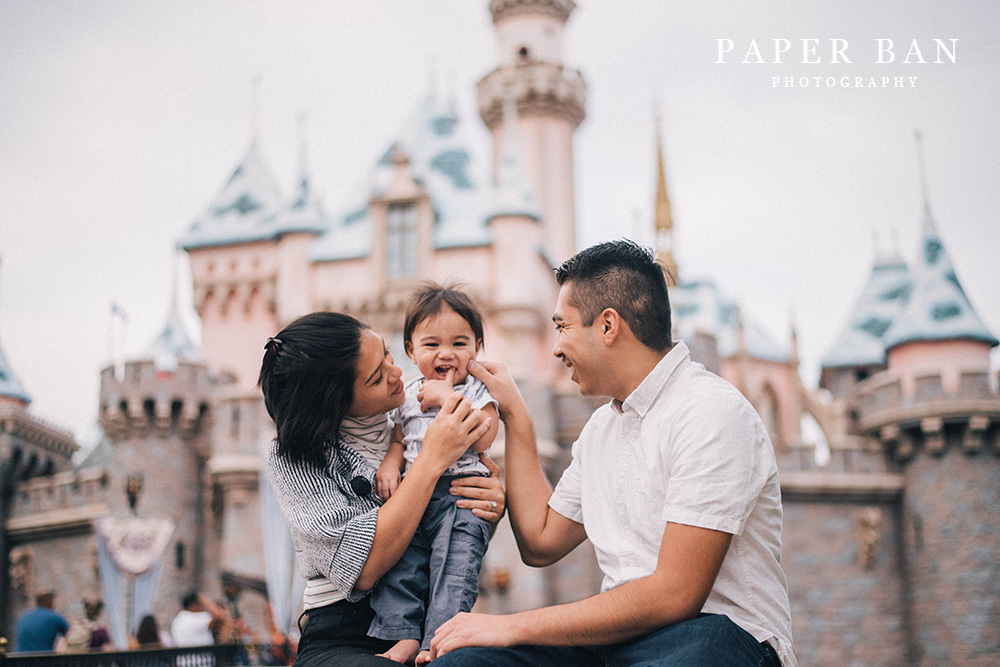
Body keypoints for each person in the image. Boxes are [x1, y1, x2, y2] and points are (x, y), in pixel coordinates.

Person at [430, 240, 796, 666]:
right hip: (616, 646)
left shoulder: (712, 413)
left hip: (719, 641)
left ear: (608, 326)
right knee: (465, 663)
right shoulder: (601, 429)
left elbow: (676, 594)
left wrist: (510, 624)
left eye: (562, 326)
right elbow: (541, 541)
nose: (555, 347)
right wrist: (515, 414)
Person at [258, 311, 506, 666]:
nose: (397, 373)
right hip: (344, 635)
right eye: (377, 377)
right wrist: (431, 459)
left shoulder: (414, 414)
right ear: (337, 404)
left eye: (389, 355)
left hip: (430, 619)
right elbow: (363, 566)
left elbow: (446, 521)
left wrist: (488, 507)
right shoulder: (295, 458)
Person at [369, 284, 500, 665]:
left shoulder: (476, 392)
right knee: (400, 568)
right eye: (431, 345)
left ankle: (438, 642)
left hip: (460, 500)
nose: (446, 353)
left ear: (476, 347)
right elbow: (399, 439)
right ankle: (404, 635)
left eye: (459, 343)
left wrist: (449, 399)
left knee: (455, 568)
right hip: (415, 496)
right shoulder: (407, 394)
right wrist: (391, 464)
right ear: (411, 349)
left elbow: (486, 434)